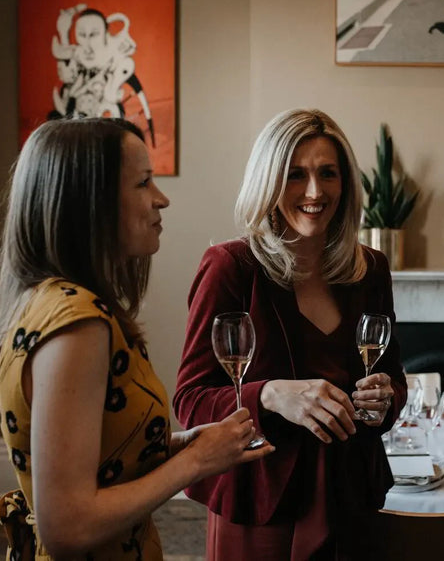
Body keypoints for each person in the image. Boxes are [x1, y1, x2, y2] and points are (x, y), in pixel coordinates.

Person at [0, 118, 273, 560]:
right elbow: (68, 527)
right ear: (89, 201)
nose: (161, 198)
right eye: (142, 182)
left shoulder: (49, 301)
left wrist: (185, 442)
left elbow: (96, 457)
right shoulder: (76, 325)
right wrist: (196, 463)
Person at [173, 108, 407, 560]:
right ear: (269, 181)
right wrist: (271, 395)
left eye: (328, 174)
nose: (315, 192)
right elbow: (191, 400)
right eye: (295, 175)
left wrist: (385, 398)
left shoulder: (371, 269)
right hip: (261, 499)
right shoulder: (231, 267)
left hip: (351, 495)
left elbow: (394, 378)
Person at [50, 5, 157, 146]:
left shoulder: (118, 65)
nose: (87, 43)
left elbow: (138, 95)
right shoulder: (75, 62)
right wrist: (64, 33)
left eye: (94, 34)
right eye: (82, 35)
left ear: (105, 34)